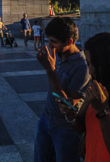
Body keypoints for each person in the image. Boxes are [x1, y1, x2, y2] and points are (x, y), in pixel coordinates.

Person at [33, 17, 88, 162]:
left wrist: (50, 71)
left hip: (65, 129)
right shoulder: (56, 54)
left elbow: (68, 103)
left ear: (69, 41)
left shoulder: (82, 67)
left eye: (54, 42)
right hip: (46, 118)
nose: (50, 45)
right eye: (49, 41)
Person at [77, 33, 110, 161]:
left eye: (92, 64)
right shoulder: (97, 89)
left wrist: (102, 111)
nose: (90, 71)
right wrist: (70, 115)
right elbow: (80, 126)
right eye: (87, 64)